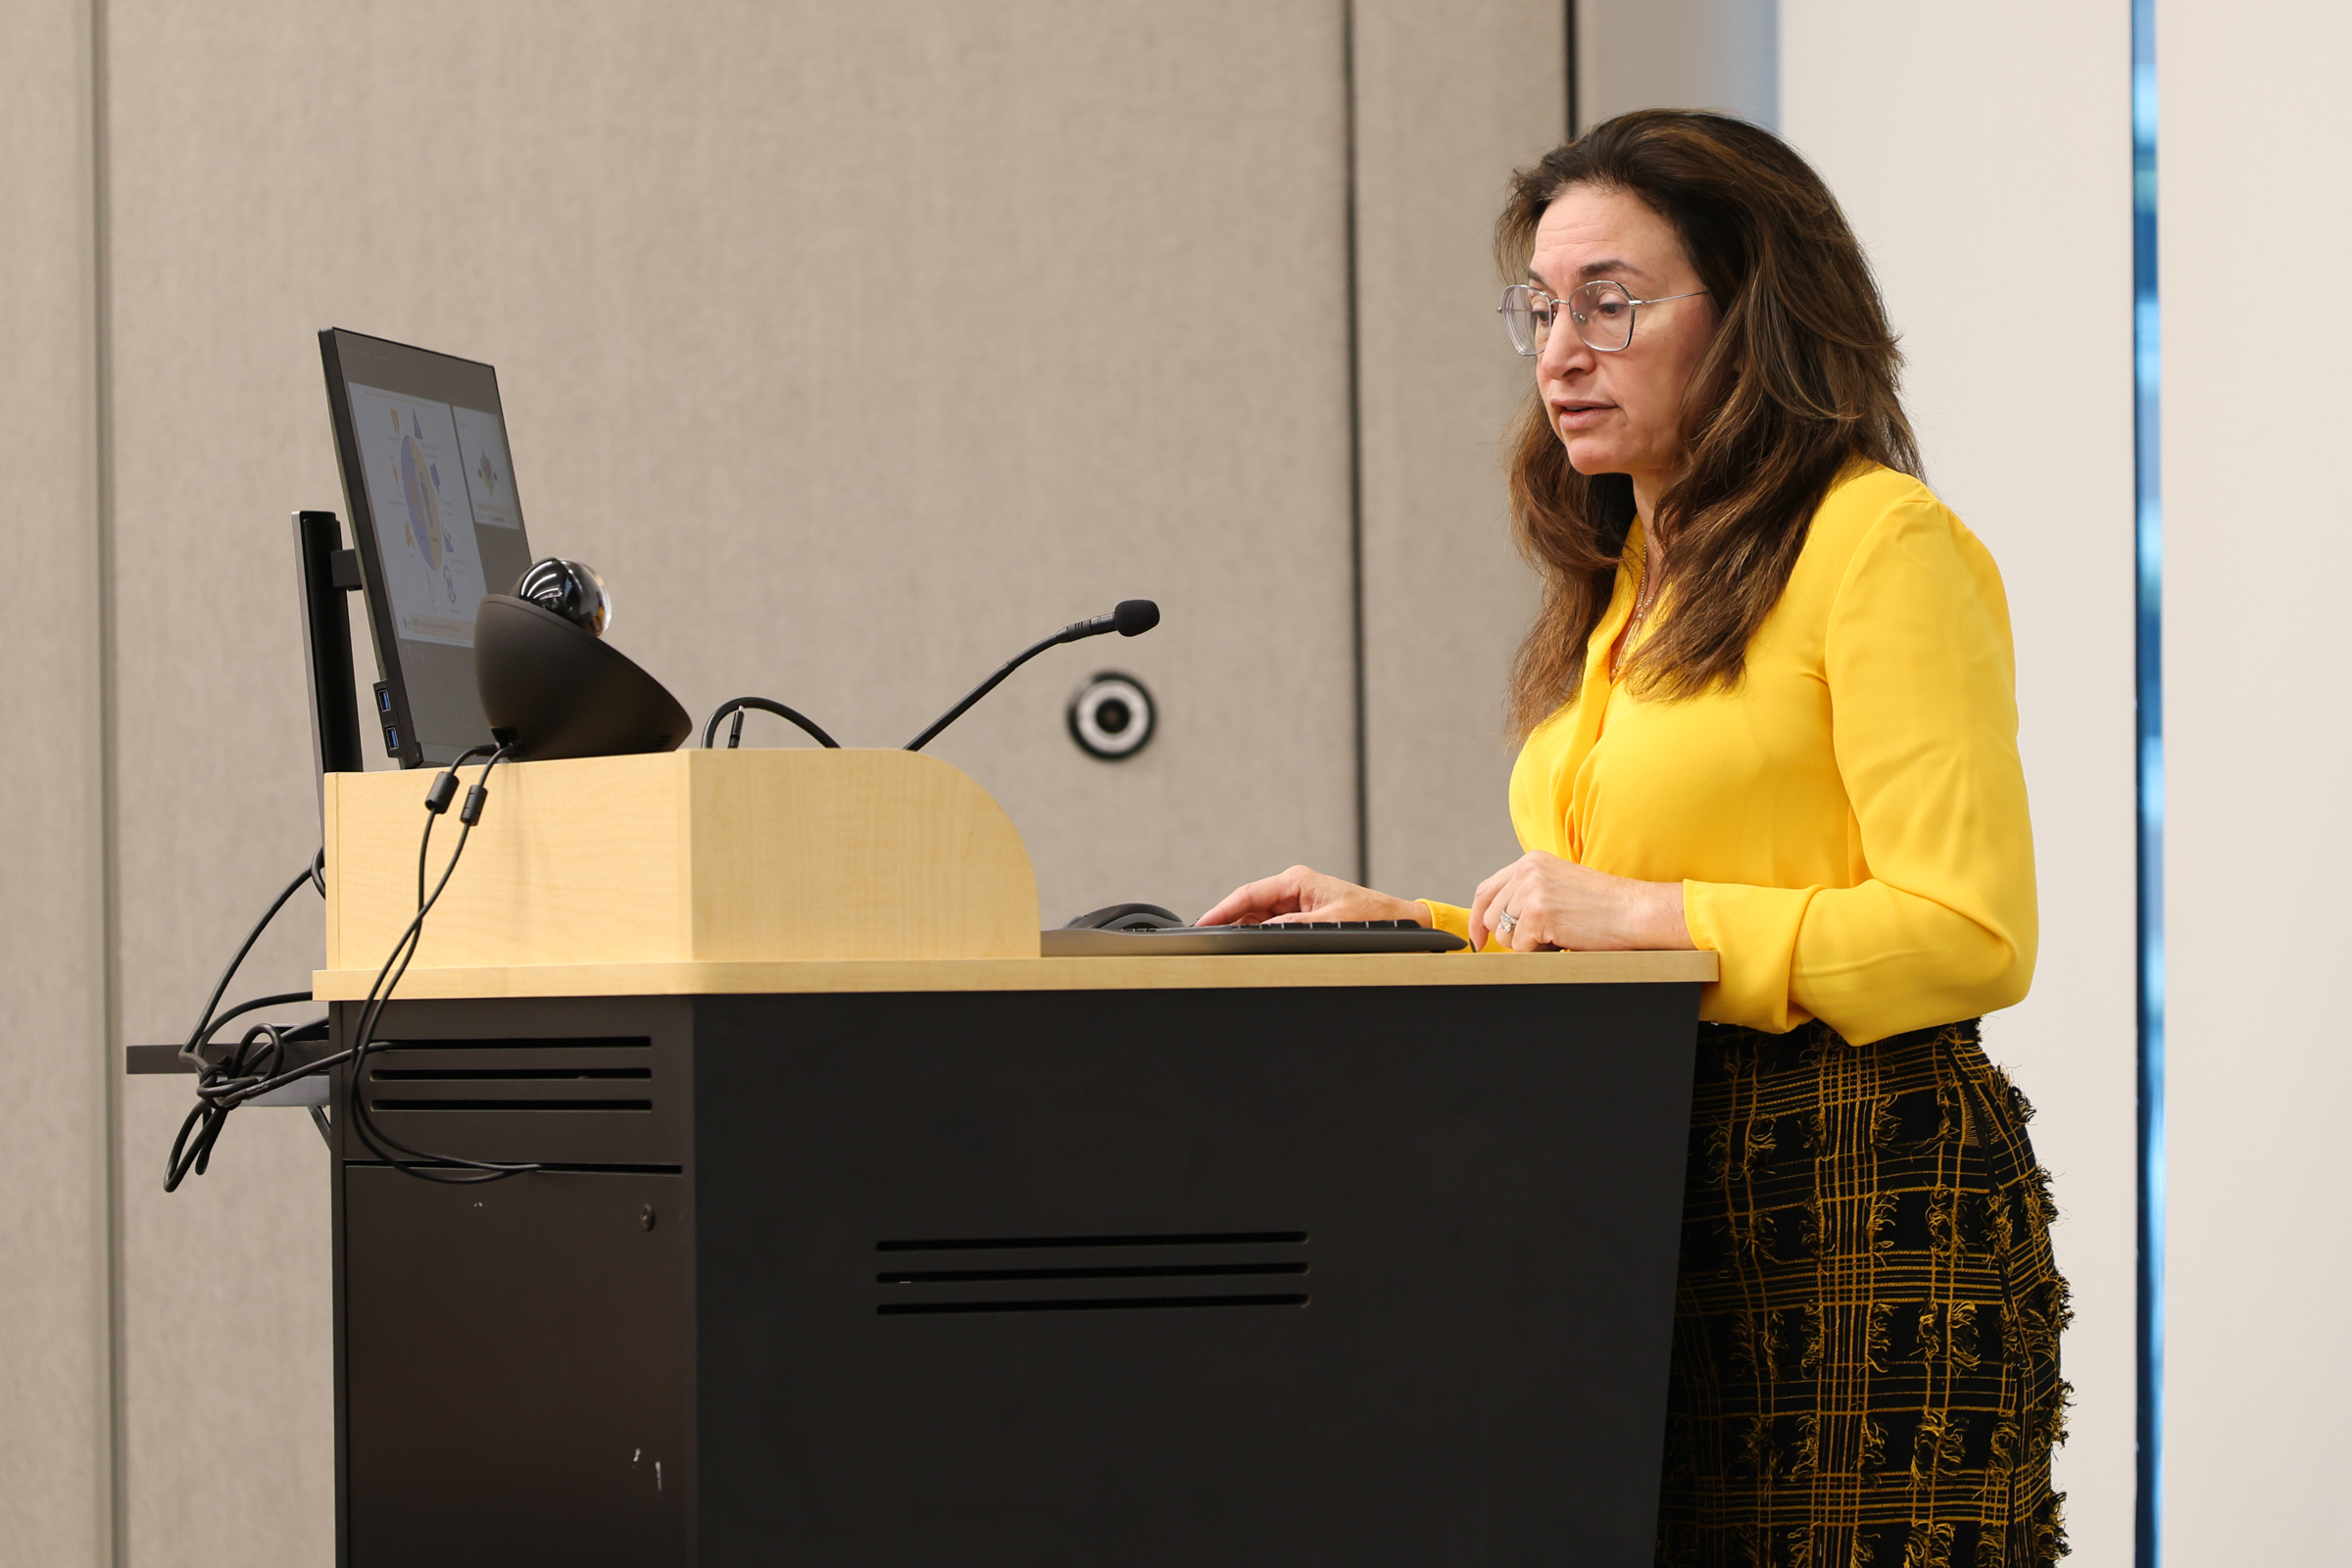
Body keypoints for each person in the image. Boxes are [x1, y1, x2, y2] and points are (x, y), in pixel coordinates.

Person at [1200, 110, 2069, 1567]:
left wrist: (1656, 917)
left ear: (1754, 316)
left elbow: (1971, 932)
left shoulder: (1879, 545)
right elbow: (1610, 921)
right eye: (1541, 310)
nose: (1560, 354)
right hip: (1636, 1192)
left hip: (1857, 1205)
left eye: (1611, 304)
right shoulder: (1627, 583)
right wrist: (1413, 932)